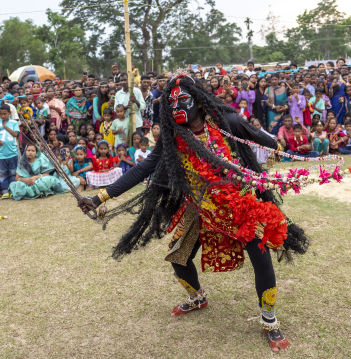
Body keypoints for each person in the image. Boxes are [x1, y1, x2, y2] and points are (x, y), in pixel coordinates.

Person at [78, 73, 309, 352]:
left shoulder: (228, 122)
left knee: (262, 263)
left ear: (199, 103)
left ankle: (270, 322)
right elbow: (143, 168)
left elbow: (269, 142)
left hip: (240, 205)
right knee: (177, 255)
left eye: (183, 100)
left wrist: (273, 148)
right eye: (171, 102)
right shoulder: (174, 136)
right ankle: (198, 298)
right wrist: (99, 197)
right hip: (200, 207)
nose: (176, 106)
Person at [0, 104, 20, 199]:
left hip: (12, 153)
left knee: (13, 172)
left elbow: (15, 134)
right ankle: (4, 190)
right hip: (1, 154)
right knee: (2, 172)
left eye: (5, 114)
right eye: (1, 114)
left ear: (9, 113)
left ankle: (12, 189)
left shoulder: (14, 123)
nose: (3, 116)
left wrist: (5, 126)